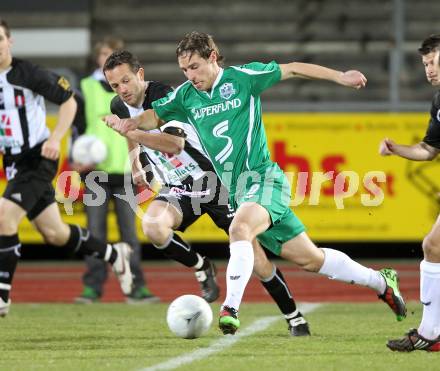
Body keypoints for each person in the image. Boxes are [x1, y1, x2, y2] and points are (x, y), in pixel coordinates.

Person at [104, 32, 407, 337]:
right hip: (237, 192)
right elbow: (154, 116)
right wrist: (129, 124)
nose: (190, 75)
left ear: (212, 57)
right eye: (184, 70)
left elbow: (292, 68)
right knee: (311, 259)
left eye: (195, 67)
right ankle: (382, 282)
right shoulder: (185, 96)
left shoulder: (242, 78)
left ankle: (230, 309)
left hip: (263, 179)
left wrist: (341, 76)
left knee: (239, 230)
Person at [103, 50, 310, 335]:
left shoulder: (164, 97)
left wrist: (128, 134)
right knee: (153, 226)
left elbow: (173, 144)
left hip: (213, 183)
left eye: (126, 81)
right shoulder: (119, 105)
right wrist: (135, 159)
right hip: (179, 186)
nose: (122, 90)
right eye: (115, 85)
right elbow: (128, 127)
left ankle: (294, 316)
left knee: (258, 260)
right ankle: (202, 266)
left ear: (140, 74)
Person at [0, 19, 133, 317]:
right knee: (55, 234)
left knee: (4, 219)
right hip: (12, 163)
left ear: (10, 41)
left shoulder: (27, 73)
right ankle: (114, 253)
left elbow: (68, 101)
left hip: (37, 159)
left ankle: (2, 295)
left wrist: (56, 138)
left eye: (0, 39)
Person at [73, 38, 157, 304]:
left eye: (112, 54)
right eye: (103, 54)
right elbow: (77, 124)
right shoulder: (86, 86)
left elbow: (143, 128)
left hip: (124, 170)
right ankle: (92, 287)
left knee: (129, 234)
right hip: (95, 172)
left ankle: (135, 287)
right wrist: (75, 156)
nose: (107, 59)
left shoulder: (133, 89)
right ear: (98, 58)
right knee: (95, 233)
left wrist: (142, 164)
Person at [379, 35, 440, 352]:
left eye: (432, 62)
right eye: (425, 64)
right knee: (432, 246)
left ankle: (432, 333)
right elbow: (429, 149)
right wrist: (396, 149)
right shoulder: (439, 101)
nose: (428, 70)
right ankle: (431, 333)